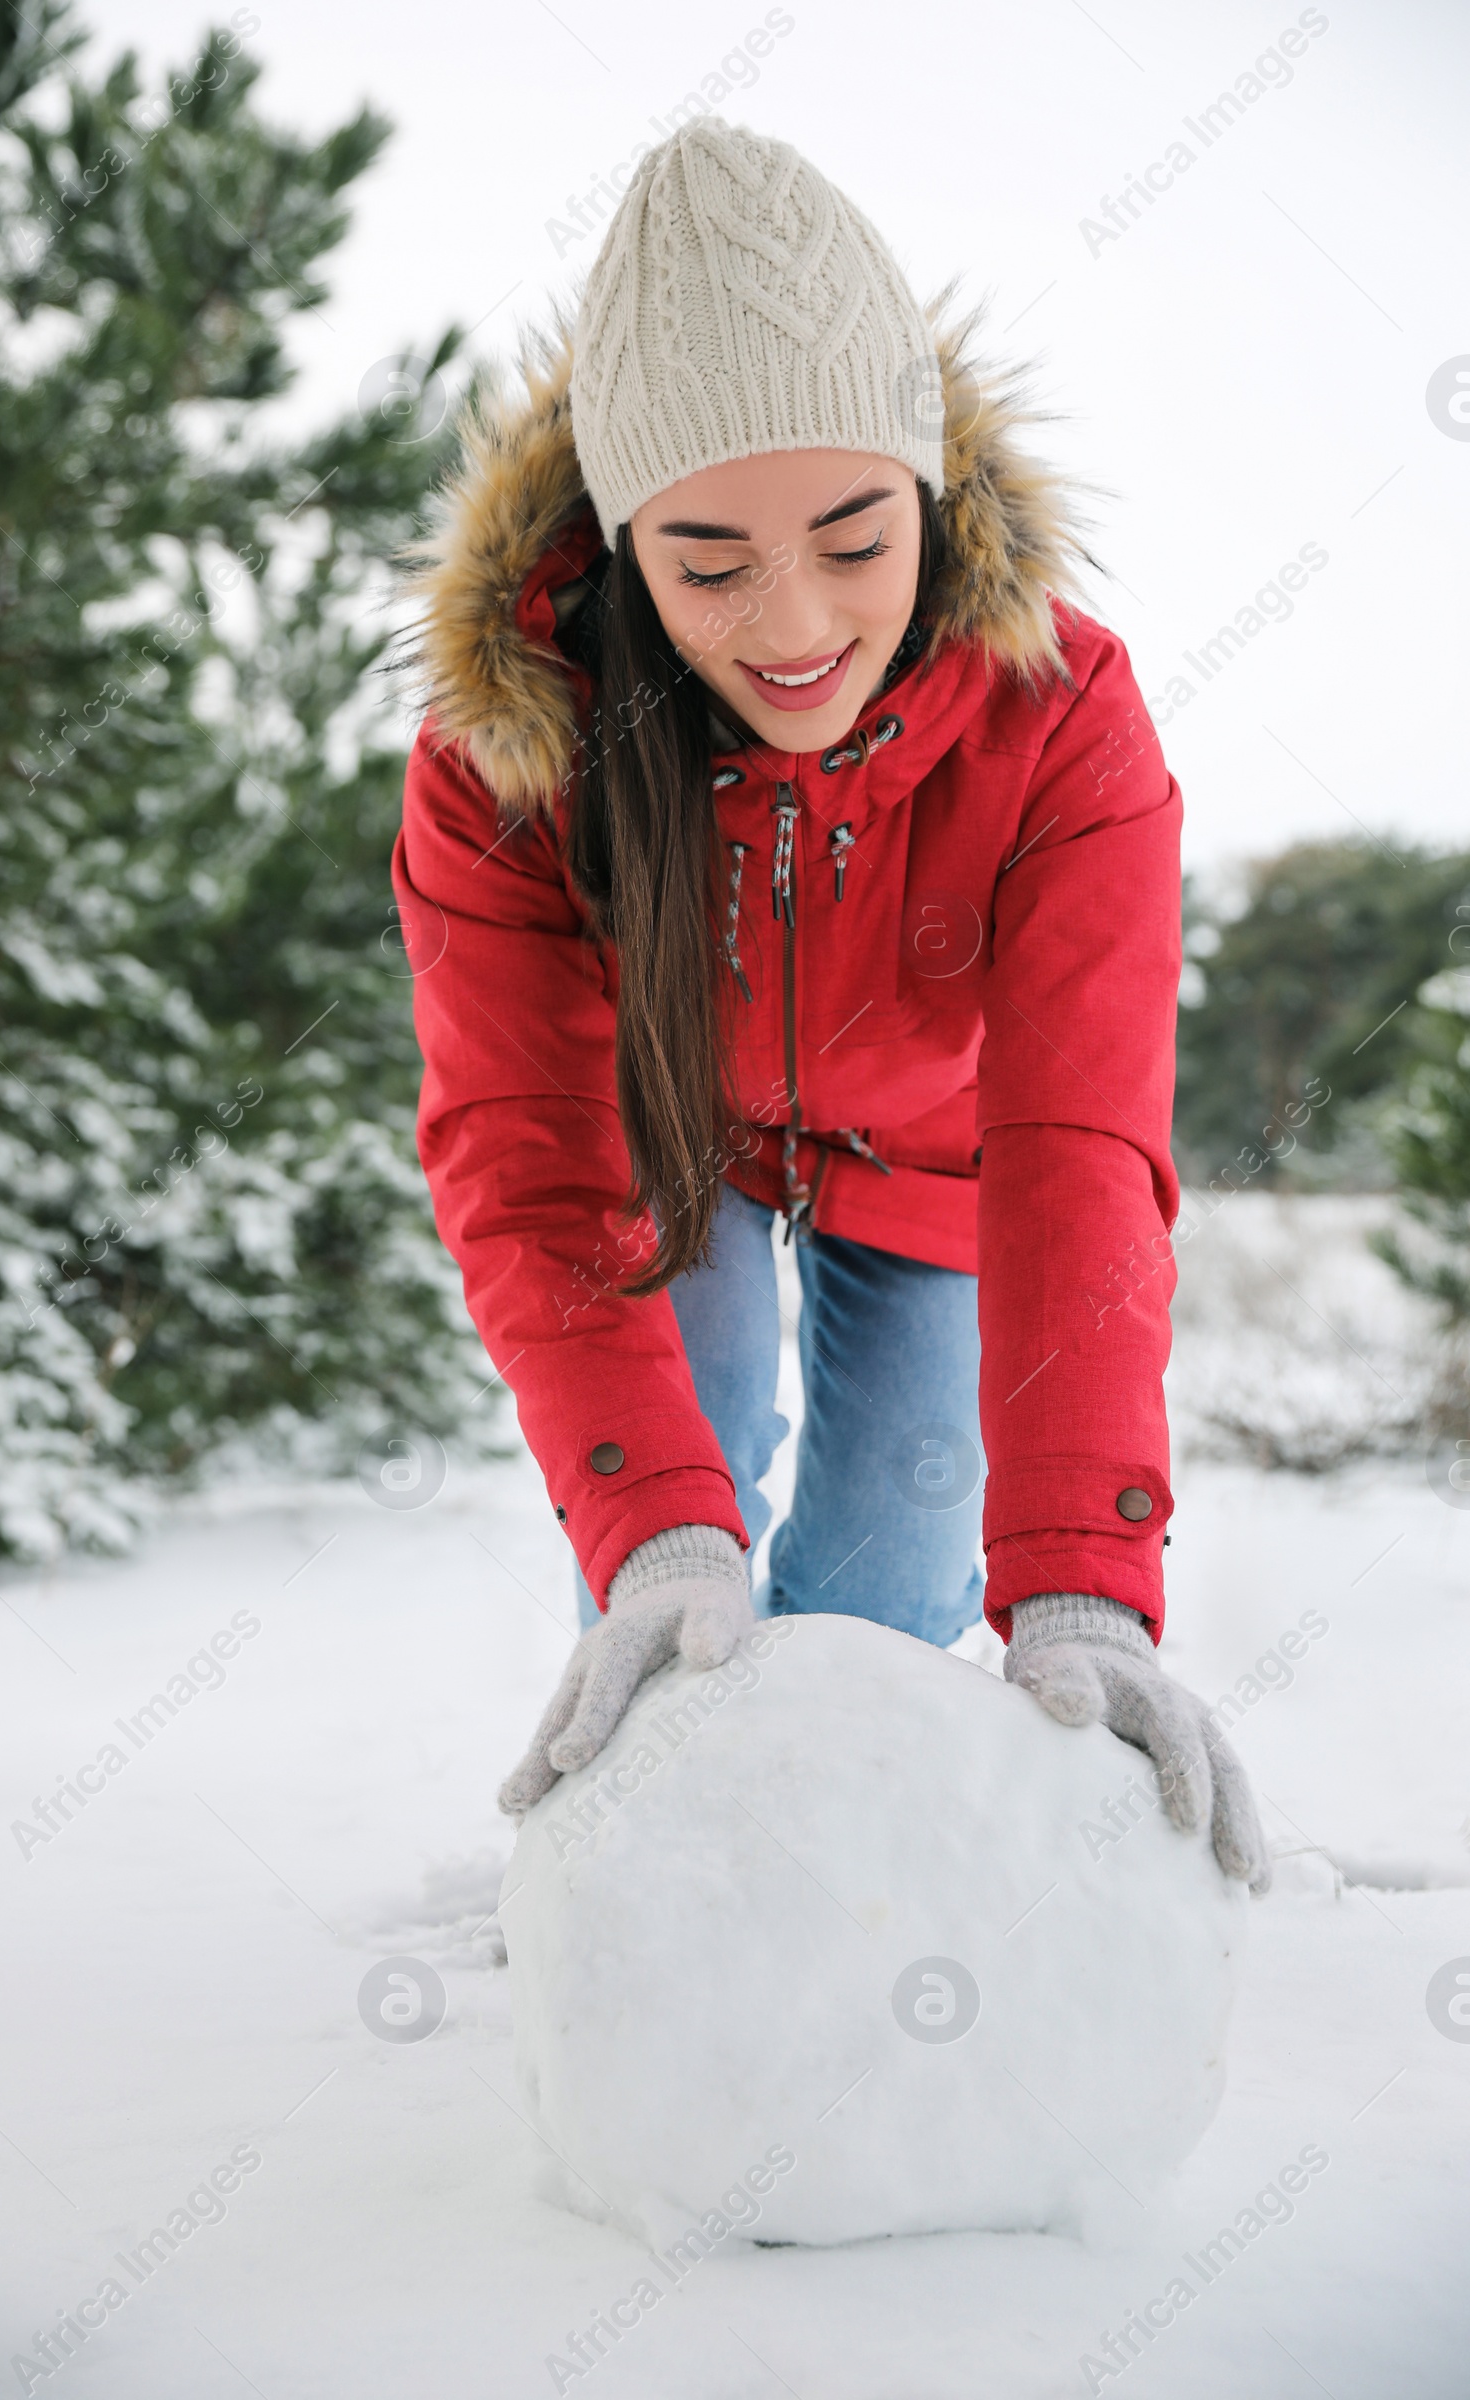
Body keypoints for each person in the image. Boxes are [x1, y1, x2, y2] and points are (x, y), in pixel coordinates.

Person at [395, 118, 1269, 1890]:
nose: (791, 622)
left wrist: (1082, 1578)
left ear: (933, 498)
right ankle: (657, 1876)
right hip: (666, 1147)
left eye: (855, 539)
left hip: (936, 1155)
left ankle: (844, 1885)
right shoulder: (517, 749)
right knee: (681, 1564)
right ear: (622, 544)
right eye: (709, 562)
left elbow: (1080, 1149)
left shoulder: (1063, 721)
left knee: (890, 1578)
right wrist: (654, 1531)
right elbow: (531, 1161)